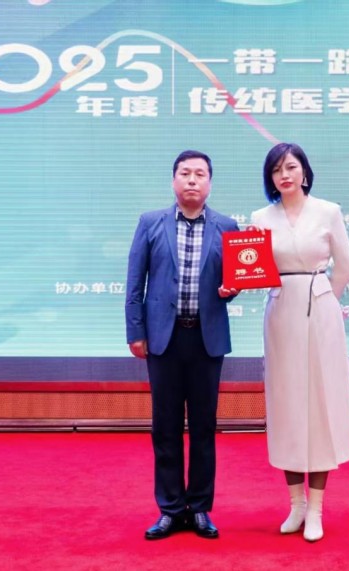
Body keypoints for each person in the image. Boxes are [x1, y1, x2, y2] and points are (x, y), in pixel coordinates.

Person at [125, 149, 239, 541]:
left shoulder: (227, 226)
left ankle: (201, 508)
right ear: (174, 180)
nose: (192, 180)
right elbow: (135, 282)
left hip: (206, 340)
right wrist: (135, 331)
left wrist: (231, 290)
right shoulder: (150, 223)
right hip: (164, 339)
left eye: (200, 174)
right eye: (185, 173)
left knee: (204, 427)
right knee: (166, 427)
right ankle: (171, 509)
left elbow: (235, 281)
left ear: (210, 183)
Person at [250, 142, 349, 542]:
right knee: (287, 407)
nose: (285, 175)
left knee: (320, 404)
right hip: (281, 313)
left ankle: (315, 509)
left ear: (305, 172)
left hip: (320, 310)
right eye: (277, 169)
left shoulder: (328, 211)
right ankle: (295, 505)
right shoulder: (260, 218)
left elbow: (345, 266)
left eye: (291, 167)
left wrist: (328, 298)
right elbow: (253, 268)